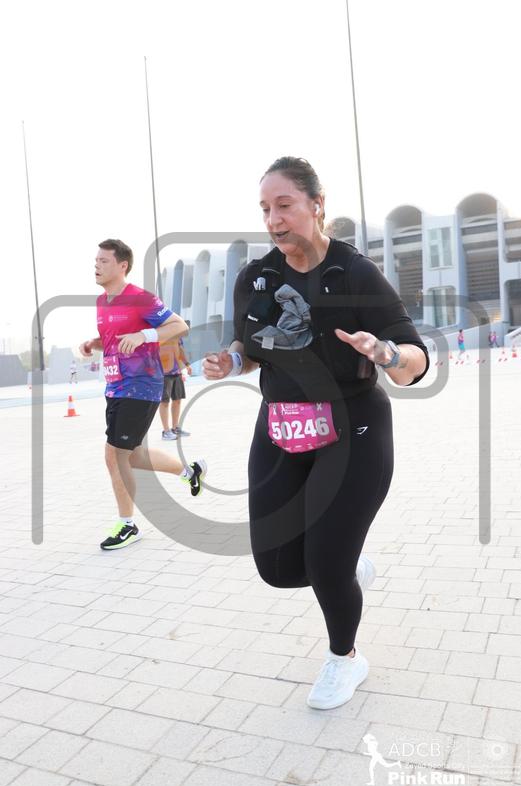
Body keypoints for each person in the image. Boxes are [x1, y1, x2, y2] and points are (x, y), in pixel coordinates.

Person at [203, 157, 429, 710]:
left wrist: (385, 352)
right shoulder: (256, 278)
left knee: (325, 561)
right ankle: (348, 568)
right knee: (278, 567)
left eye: (284, 205)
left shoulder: (355, 275)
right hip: (281, 427)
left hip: (354, 428)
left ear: (317, 204)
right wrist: (231, 361)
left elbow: (417, 360)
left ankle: (344, 658)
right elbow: (251, 346)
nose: (273, 219)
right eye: (265, 208)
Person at [80, 239, 206, 551]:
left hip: (141, 385)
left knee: (114, 455)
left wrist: (144, 335)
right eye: (96, 260)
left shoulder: (140, 298)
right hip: (115, 386)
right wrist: (94, 344)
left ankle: (128, 525)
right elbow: (115, 340)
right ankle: (190, 471)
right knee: (133, 455)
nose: (96, 265)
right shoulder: (102, 302)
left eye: (104, 261)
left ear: (122, 265)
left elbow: (179, 325)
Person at [159, 337, 192, 440]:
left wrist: (187, 364)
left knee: (177, 400)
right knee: (164, 402)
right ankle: (166, 431)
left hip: (177, 372)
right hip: (163, 374)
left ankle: (175, 428)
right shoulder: (159, 333)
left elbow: (180, 349)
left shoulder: (177, 334)